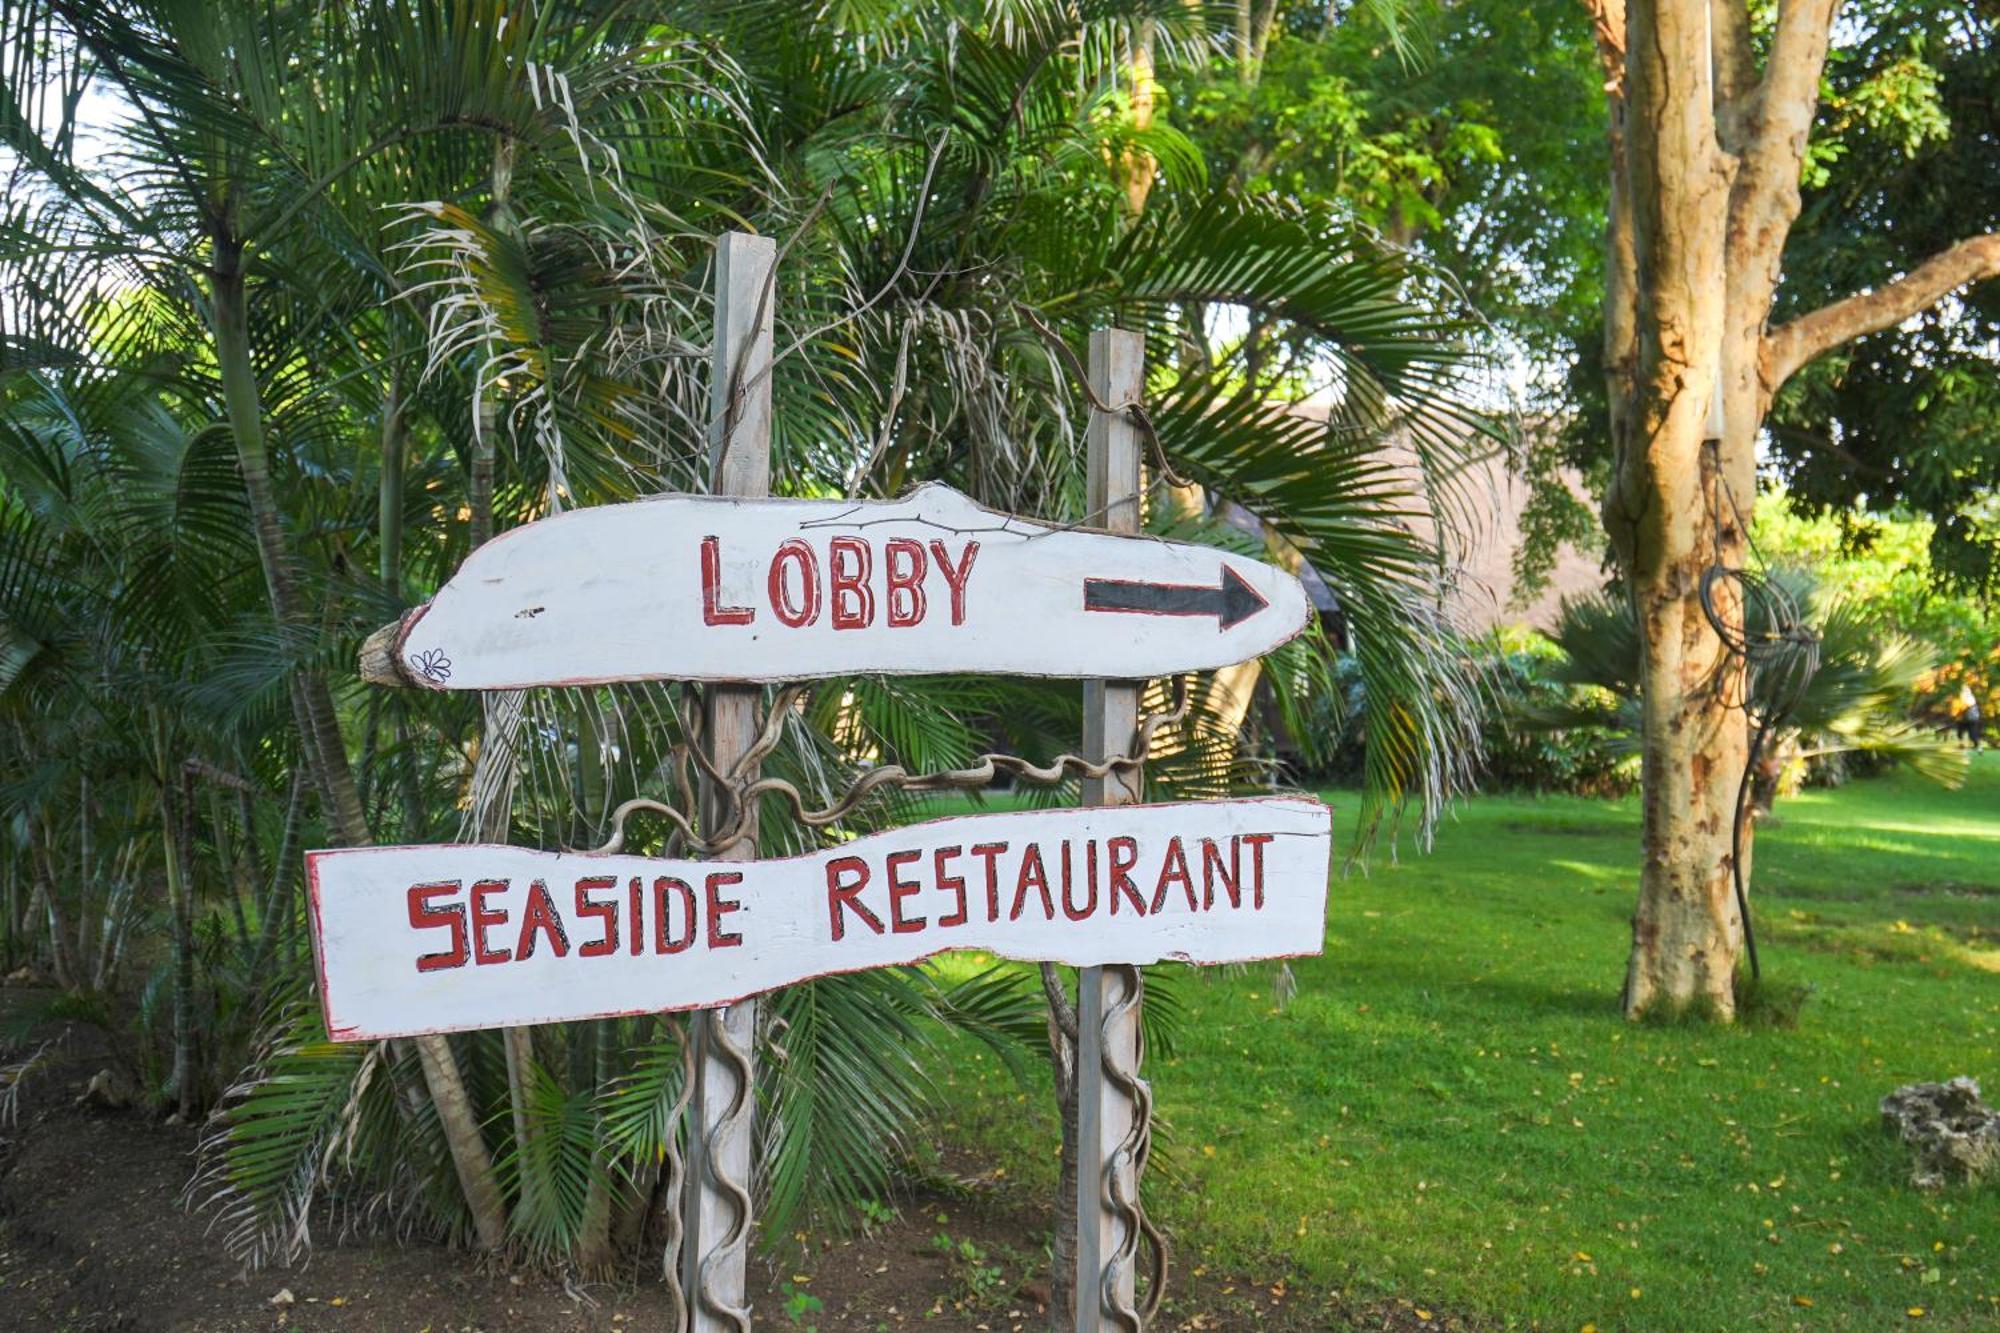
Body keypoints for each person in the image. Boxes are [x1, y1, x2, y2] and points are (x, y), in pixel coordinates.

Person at [1955, 683, 1985, 749]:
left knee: (1971, 733)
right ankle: (1962, 744)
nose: (1963, 690)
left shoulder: (1970, 697)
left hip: (1971, 718)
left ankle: (1977, 744)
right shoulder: (1963, 696)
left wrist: (1960, 711)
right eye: (1963, 689)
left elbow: (1966, 706)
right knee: (1960, 732)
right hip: (1964, 719)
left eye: (1965, 689)